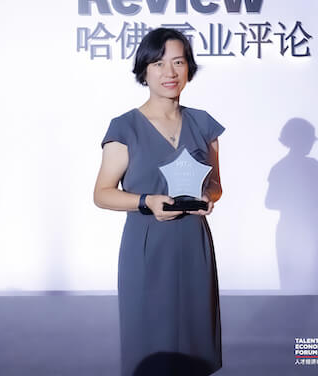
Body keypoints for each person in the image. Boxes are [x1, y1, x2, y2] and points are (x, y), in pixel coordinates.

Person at [93, 28, 225, 376]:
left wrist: (208, 197)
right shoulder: (125, 127)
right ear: (144, 71)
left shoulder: (203, 123)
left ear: (189, 68)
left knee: (196, 342)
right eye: (159, 63)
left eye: (178, 62)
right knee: (149, 342)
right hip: (147, 246)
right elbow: (102, 193)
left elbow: (215, 185)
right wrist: (146, 201)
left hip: (193, 243)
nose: (170, 72)